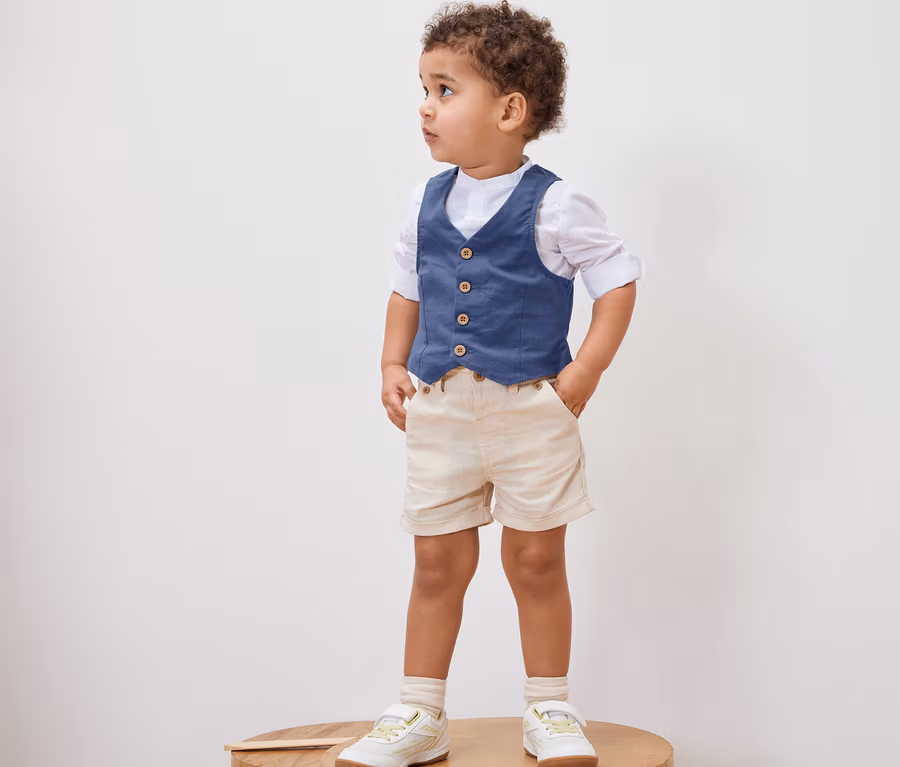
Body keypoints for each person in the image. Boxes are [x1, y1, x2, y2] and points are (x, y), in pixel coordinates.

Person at [337, 2, 642, 765]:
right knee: (436, 561)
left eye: (445, 90)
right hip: (441, 407)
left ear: (509, 110)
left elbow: (617, 282)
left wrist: (582, 374)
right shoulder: (423, 201)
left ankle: (550, 706)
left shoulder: (558, 202)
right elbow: (406, 290)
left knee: (535, 559)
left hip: (531, 410)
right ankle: (420, 710)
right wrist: (391, 364)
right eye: (424, 89)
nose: (425, 107)